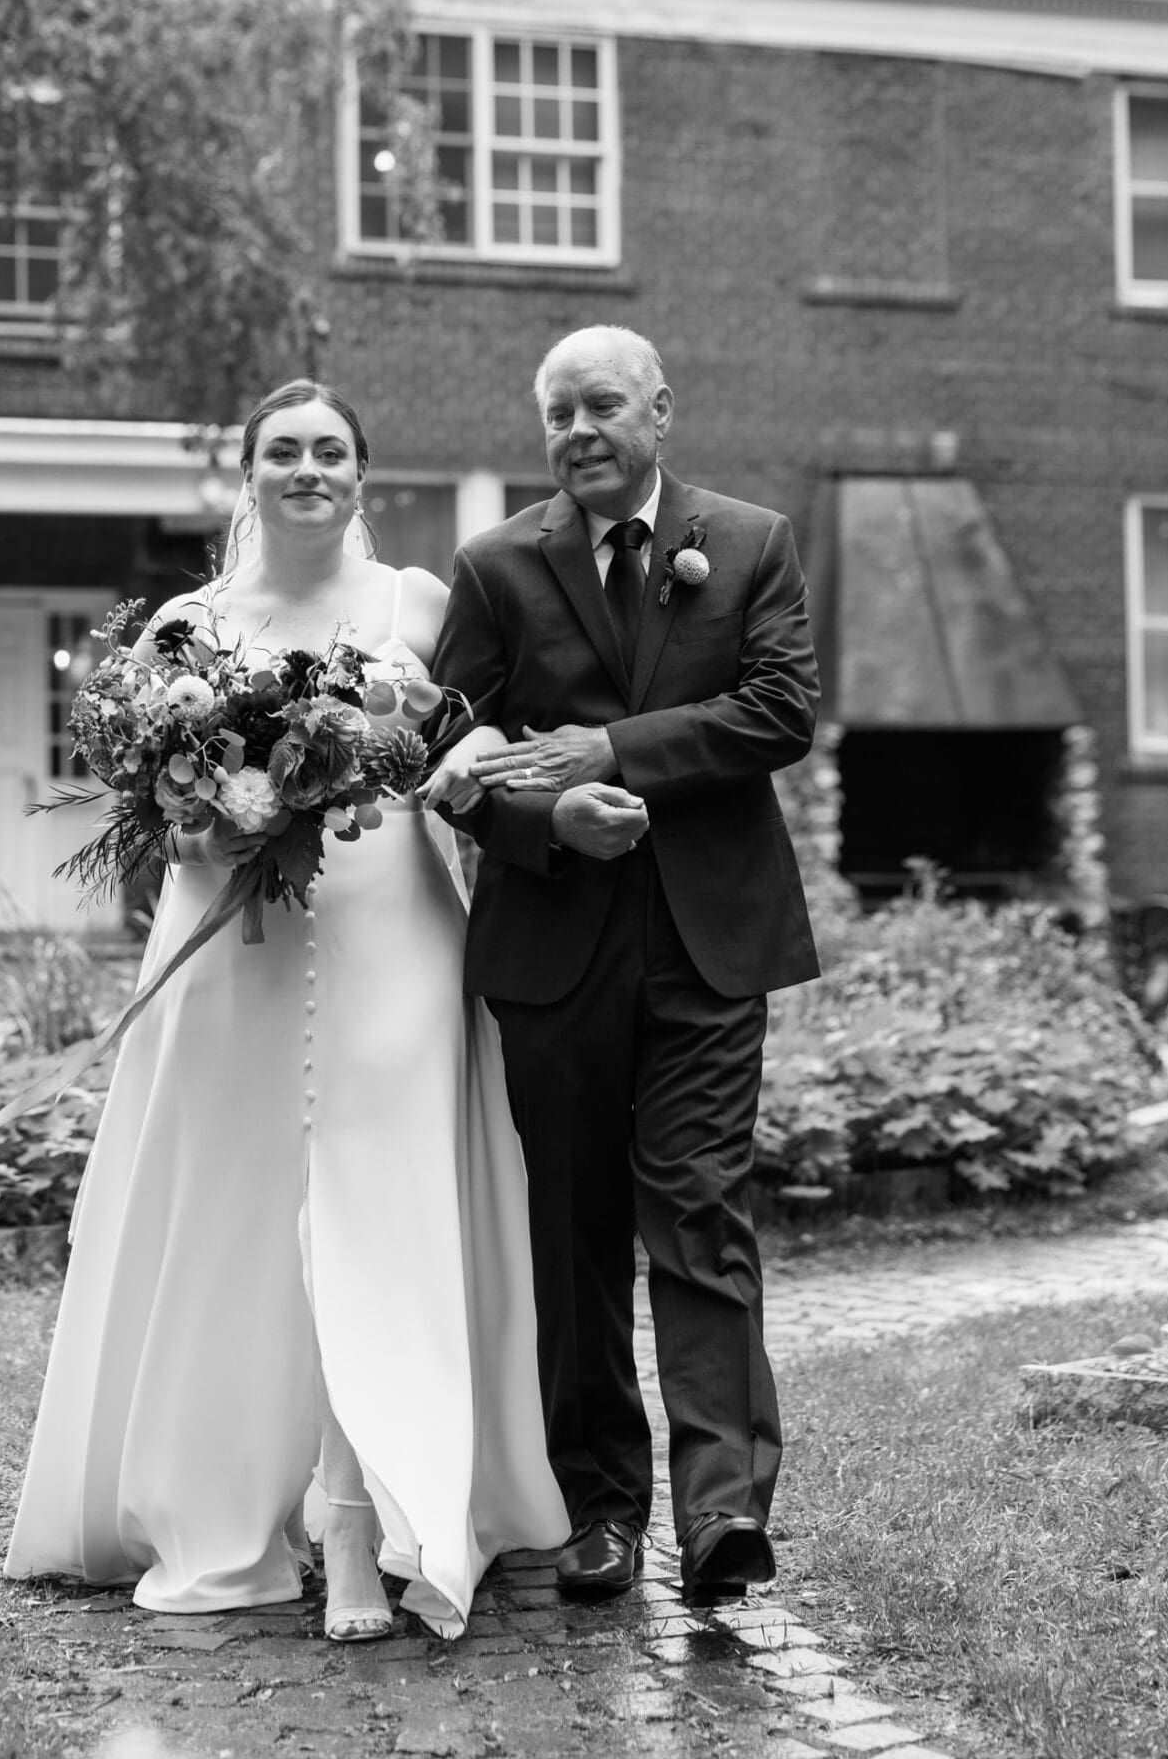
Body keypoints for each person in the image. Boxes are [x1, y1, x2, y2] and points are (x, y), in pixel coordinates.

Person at [5, 379, 567, 1639]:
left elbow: (475, 749)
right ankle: (222, 1504)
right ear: (248, 474)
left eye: (329, 451)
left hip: (391, 933)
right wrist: (210, 815)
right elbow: (150, 814)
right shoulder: (184, 629)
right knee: (233, 1216)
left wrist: (453, 756)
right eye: (282, 452)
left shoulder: (418, 603)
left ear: (361, 473)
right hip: (233, 947)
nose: (307, 469)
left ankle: (364, 1520)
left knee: (385, 1212)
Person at [431, 326, 819, 1604]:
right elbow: (447, 761)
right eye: (558, 413)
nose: (578, 430)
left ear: (660, 410)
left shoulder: (749, 542)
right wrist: (548, 816)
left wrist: (606, 750)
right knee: (575, 1231)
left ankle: (722, 1511)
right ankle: (599, 1507)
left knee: (698, 1208)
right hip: (552, 950)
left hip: (710, 942)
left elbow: (780, 711)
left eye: (601, 404)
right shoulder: (495, 565)